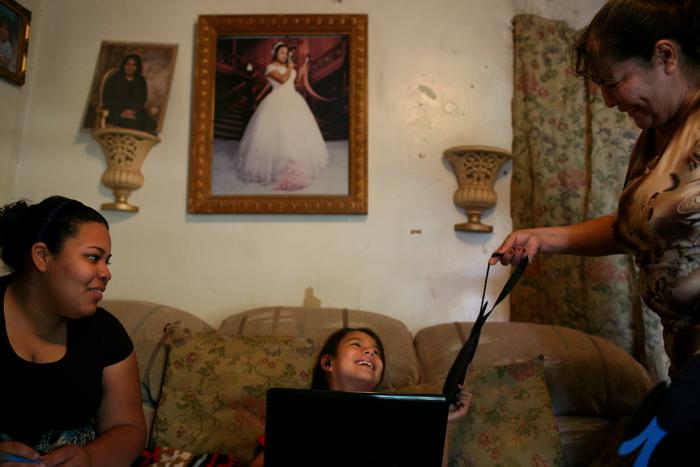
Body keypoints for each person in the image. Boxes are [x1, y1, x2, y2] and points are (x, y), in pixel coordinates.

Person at [491, 0, 700, 378]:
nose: (607, 100)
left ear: (665, 56)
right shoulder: (653, 138)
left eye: (614, 82)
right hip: (683, 358)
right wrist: (541, 237)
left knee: (651, 438)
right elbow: (637, 226)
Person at [0, 196, 145, 466]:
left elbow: (129, 429)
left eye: (107, 262)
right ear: (42, 256)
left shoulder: (106, 333)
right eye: (93, 257)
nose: (106, 273)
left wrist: (89, 458)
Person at [248, 327, 471, 467]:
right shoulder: (296, 415)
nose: (371, 352)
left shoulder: (399, 420)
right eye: (357, 344)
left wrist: (443, 424)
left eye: (377, 352)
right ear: (328, 363)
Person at [233, 41, 329, 191]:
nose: (285, 55)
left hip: (293, 100)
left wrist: (302, 70)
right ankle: (278, 167)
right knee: (277, 134)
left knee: (295, 133)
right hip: (277, 100)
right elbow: (283, 80)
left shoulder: (287, 68)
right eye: (282, 52)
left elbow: (293, 82)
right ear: (275, 53)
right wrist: (291, 67)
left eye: (286, 53)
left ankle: (296, 163)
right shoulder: (270, 68)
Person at [102, 54, 157, 133]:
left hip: (135, 111)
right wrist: (121, 112)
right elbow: (107, 99)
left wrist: (133, 111)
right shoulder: (114, 79)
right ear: (123, 65)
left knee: (151, 123)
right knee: (132, 123)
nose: (130, 67)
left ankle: (141, 145)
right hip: (116, 112)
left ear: (137, 67)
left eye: (134, 65)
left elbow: (142, 98)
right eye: (127, 64)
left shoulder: (141, 81)